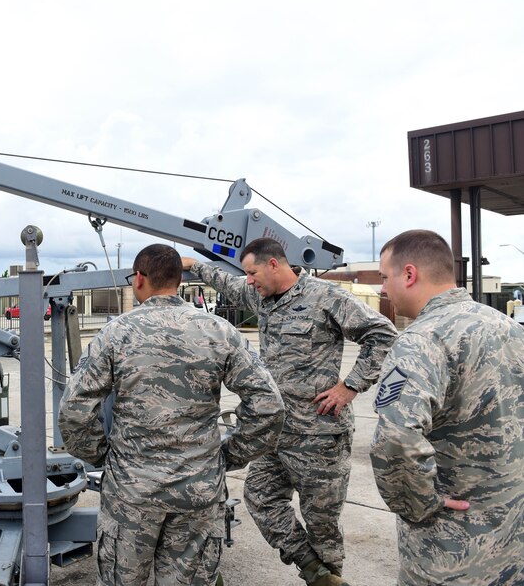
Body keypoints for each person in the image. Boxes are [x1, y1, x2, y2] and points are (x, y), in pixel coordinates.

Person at [59, 243, 285, 586]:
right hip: (198, 490)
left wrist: (106, 456)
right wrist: (226, 456)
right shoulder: (220, 331)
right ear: (179, 280)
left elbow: (75, 409)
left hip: (132, 493)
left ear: (138, 279)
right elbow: (269, 406)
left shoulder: (116, 333)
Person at [182, 238, 397, 586]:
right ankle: (312, 567)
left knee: (322, 522)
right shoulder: (259, 295)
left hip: (319, 435)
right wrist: (194, 265)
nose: (248, 280)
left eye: (252, 272)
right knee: (259, 496)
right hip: (275, 433)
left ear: (274, 265)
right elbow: (228, 283)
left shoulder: (326, 297)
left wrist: (350, 386)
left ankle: (328, 575)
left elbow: (382, 334)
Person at [370, 229, 524, 585]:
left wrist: (419, 504)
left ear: (409, 274)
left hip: (450, 552)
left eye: (384, 277)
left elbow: (394, 437)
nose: (382, 289)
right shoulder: (508, 326)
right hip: (512, 540)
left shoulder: (421, 340)